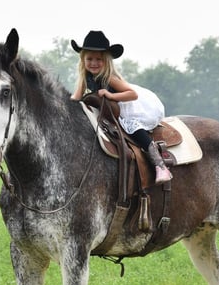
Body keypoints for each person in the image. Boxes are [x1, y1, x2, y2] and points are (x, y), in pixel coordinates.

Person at [70, 30, 172, 184]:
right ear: (83, 60)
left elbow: (132, 94)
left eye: (98, 59)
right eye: (89, 59)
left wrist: (111, 96)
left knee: (133, 128)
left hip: (130, 107)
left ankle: (160, 165)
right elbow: (75, 98)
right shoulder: (85, 77)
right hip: (110, 111)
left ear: (106, 61)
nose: (94, 63)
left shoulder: (109, 77)